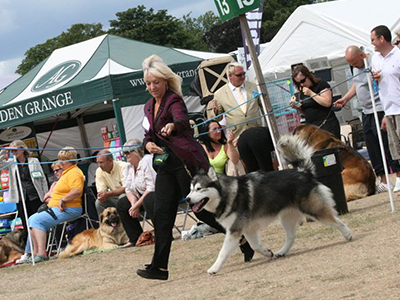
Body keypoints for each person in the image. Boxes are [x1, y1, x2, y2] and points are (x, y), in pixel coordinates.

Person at [137, 54, 218, 281]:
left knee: (201, 210)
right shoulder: (148, 106)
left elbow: (182, 120)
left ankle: (238, 234)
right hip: (164, 166)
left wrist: (173, 125)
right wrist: (148, 144)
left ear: (165, 82)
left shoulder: (174, 100)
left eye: (156, 82)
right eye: (148, 83)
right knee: (162, 215)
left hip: (184, 163)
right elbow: (147, 134)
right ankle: (159, 267)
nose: (152, 87)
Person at [334, 45, 400, 193]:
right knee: (372, 147)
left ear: (362, 56)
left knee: (387, 145)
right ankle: (382, 180)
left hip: (379, 109)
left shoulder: (374, 63)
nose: (353, 66)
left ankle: (397, 175)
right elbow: (356, 85)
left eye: (354, 62)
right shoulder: (355, 68)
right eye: (350, 63)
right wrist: (345, 99)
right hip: (366, 112)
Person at [25, 147, 84, 263]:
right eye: (59, 159)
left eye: (63, 160)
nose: (60, 162)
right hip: (59, 208)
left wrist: (62, 199)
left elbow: (77, 191)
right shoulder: (67, 173)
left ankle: (42, 253)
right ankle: (35, 253)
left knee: (37, 221)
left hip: (70, 208)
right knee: (31, 219)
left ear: (71, 160)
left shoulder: (75, 172)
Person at [0, 140, 48, 263]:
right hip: (21, 198)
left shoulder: (34, 161)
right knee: (27, 225)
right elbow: (0, 163)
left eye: (15, 149)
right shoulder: (11, 163)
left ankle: (41, 249)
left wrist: (46, 195)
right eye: (12, 150)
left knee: (38, 223)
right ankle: (30, 251)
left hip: (35, 196)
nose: (14, 152)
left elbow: (42, 179)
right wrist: (5, 151)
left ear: (22, 149)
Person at [370, 25, 400, 180]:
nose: (372, 43)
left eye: (373, 39)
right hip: (388, 110)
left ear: (382, 38)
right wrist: (374, 79)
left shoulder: (398, 55)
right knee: (395, 149)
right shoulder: (375, 59)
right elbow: (375, 85)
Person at [206, 62, 265, 139]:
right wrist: (216, 111)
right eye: (239, 75)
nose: (243, 77)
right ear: (230, 76)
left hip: (257, 131)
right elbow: (217, 119)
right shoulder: (219, 94)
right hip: (237, 136)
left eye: (243, 74)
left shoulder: (254, 86)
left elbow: (264, 106)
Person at [116, 139, 156, 248]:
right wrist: (134, 205)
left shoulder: (147, 161)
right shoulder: (128, 167)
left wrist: (137, 204)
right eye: (124, 153)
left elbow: (151, 188)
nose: (126, 155)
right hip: (140, 197)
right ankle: (135, 238)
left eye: (129, 152)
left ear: (137, 151)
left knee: (149, 200)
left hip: (156, 195)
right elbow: (128, 189)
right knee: (122, 204)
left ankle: (162, 233)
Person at [290, 65, 341, 139]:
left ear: (308, 76)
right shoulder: (302, 91)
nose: (301, 84)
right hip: (312, 127)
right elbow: (306, 111)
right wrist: (296, 106)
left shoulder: (321, 85)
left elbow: (327, 102)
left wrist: (311, 93)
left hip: (327, 124)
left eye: (303, 81)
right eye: (298, 83)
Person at [95, 150, 128, 216]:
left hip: (129, 196)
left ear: (110, 160)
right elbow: (101, 191)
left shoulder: (123, 166)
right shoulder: (99, 171)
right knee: (99, 202)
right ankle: (105, 225)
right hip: (113, 197)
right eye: (98, 163)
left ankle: (126, 224)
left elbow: (126, 187)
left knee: (122, 197)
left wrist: (108, 193)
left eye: (101, 162)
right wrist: (102, 195)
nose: (99, 165)